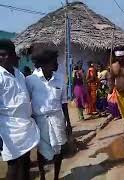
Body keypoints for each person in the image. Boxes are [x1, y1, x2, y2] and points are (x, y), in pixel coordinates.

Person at [26, 50, 72, 180]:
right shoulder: (31, 80)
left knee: (59, 149)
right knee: (42, 151)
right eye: (54, 62)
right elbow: (26, 101)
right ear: (44, 65)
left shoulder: (60, 78)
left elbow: (63, 103)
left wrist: (68, 123)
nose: (57, 64)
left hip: (57, 119)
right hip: (40, 121)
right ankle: (42, 176)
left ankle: (56, 177)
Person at [0, 39, 40, 180]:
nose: (3, 58)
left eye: (6, 54)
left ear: (12, 55)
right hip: (8, 130)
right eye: (0, 55)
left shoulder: (19, 74)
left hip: (25, 127)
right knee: (13, 166)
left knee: (25, 162)